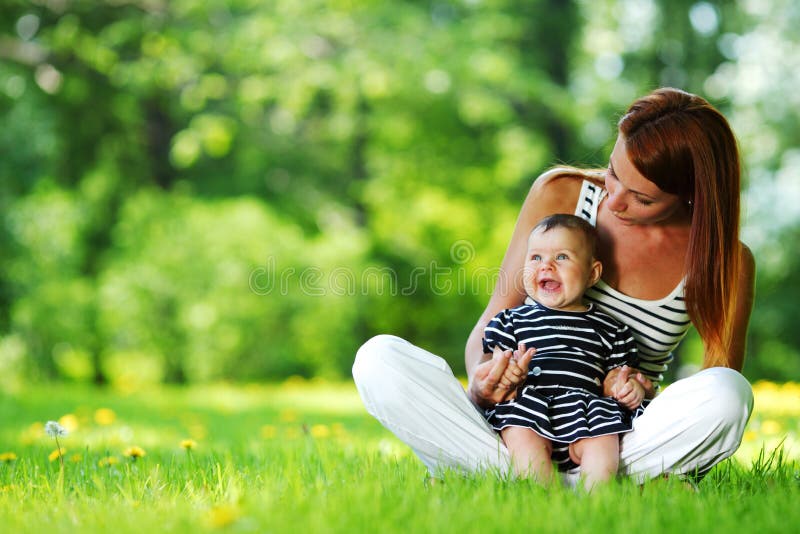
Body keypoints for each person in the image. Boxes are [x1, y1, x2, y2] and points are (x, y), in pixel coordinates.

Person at [352, 87, 755, 485]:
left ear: (692, 194)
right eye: (614, 173)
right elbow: (496, 314)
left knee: (728, 393)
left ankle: (506, 479)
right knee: (378, 359)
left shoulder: (724, 260)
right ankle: (597, 485)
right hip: (515, 425)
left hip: (614, 437)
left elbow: (713, 382)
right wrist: (484, 379)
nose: (613, 201)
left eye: (641, 198)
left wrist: (634, 390)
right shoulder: (560, 193)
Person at [483, 214, 645, 488]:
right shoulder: (510, 321)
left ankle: (597, 500)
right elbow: (492, 367)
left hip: (586, 413)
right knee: (522, 437)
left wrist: (630, 389)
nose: (545, 265)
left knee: (604, 442)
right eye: (535, 258)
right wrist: (505, 372)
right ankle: (541, 497)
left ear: (592, 273)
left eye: (561, 257)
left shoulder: (610, 329)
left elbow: (624, 376)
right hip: (527, 408)